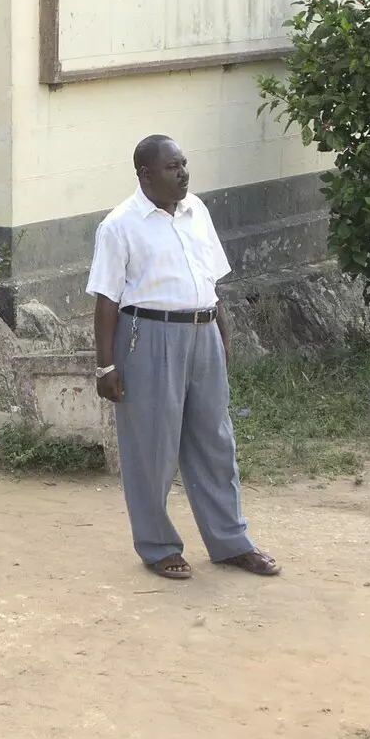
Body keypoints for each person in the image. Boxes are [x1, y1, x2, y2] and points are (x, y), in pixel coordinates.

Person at [86, 136, 280, 582]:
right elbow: (106, 301)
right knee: (152, 448)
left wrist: (222, 334)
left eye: (185, 164)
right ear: (146, 175)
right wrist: (106, 367)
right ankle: (158, 545)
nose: (183, 173)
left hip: (202, 333)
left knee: (216, 440)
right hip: (149, 337)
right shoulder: (120, 225)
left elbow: (213, 279)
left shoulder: (197, 211)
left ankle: (231, 542)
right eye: (173, 167)